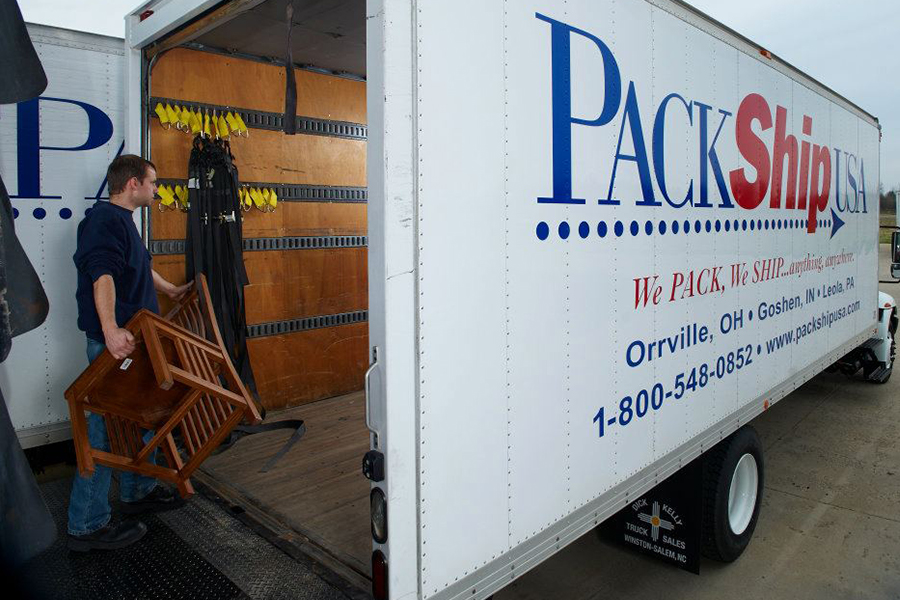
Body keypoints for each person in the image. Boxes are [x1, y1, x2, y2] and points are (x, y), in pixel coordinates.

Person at [67, 154, 192, 552]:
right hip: (115, 344)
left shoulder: (124, 223)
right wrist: (110, 330)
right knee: (102, 432)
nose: (157, 191)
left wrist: (170, 291)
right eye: (153, 184)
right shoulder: (104, 221)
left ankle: (138, 491)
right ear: (134, 183)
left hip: (136, 342)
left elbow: (139, 265)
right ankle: (86, 526)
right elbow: (101, 275)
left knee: (143, 416)